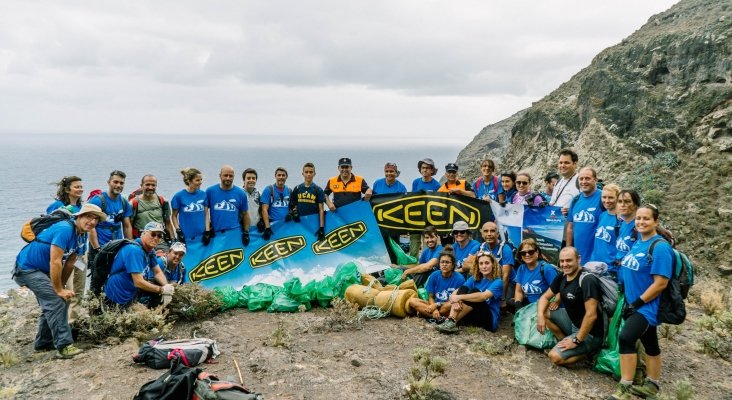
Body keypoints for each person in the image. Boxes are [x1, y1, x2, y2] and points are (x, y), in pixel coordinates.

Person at [12, 203, 105, 359]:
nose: (92, 221)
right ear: (79, 216)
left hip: (42, 270)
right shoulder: (65, 229)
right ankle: (64, 345)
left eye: (96, 219)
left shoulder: (82, 235)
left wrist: (61, 286)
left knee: (61, 299)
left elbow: (70, 262)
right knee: (56, 300)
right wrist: (58, 290)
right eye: (89, 216)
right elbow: (55, 261)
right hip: (27, 269)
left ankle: (43, 342)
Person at [609, 204, 673, 399]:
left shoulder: (660, 247)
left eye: (646, 219)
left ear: (656, 221)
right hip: (633, 302)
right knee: (650, 342)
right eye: (638, 218)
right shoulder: (638, 241)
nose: (641, 222)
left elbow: (661, 283)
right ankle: (652, 385)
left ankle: (625, 388)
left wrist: (636, 303)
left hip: (646, 306)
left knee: (626, 338)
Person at [537, 247, 604, 366]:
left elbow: (591, 315)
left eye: (569, 260)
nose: (564, 264)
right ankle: (563, 342)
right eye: (562, 261)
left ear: (578, 259)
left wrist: (576, 340)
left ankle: (588, 353)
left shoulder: (587, 280)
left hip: (590, 333)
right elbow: (544, 297)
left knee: (554, 357)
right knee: (545, 312)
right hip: (573, 322)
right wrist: (540, 316)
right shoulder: (562, 276)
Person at [104, 222, 175, 308]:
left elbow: (157, 272)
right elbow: (138, 282)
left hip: (130, 293)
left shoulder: (150, 250)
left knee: (158, 290)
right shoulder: (134, 250)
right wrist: (161, 290)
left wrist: (167, 287)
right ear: (143, 233)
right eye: (153, 234)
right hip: (116, 297)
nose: (156, 238)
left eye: (159, 236)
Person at [437, 251, 503, 333]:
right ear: (478, 266)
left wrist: (459, 297)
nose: (484, 266)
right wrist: (455, 301)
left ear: (493, 265)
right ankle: (450, 321)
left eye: (487, 263)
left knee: (474, 292)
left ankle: (450, 321)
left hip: (488, 321)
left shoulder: (498, 282)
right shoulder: (474, 278)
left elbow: (483, 296)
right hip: (472, 317)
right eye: (481, 264)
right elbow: (456, 293)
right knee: (463, 289)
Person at [406, 247, 465, 321]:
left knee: (450, 305)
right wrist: (434, 310)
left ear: (453, 265)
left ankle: (428, 314)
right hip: (433, 305)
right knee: (412, 301)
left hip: (447, 306)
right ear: (439, 264)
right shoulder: (434, 275)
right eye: (442, 262)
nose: (444, 264)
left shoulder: (459, 279)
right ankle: (438, 317)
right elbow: (430, 297)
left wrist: (436, 305)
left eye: (447, 262)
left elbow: (458, 301)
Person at [88, 170, 133, 263]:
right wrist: (97, 249)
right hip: (100, 246)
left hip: (117, 246)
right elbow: (90, 227)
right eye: (115, 182)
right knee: (98, 275)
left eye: (121, 183)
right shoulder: (98, 201)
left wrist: (129, 245)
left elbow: (127, 226)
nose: (118, 185)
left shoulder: (124, 202)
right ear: (108, 182)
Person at [470, 222, 515, 312]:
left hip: (506, 282)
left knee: (505, 303)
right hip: (487, 279)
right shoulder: (479, 247)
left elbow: (505, 277)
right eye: (486, 231)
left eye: (492, 231)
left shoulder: (505, 249)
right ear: (482, 234)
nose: (489, 234)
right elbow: (465, 265)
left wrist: (502, 299)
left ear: (498, 234)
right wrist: (478, 265)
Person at [565, 167, 603, 264]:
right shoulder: (576, 200)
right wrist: (568, 250)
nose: (584, 182)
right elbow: (570, 227)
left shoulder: (603, 198)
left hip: (597, 258)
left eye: (587, 178)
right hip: (579, 257)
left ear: (595, 180)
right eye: (581, 179)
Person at [206, 165, 250, 246]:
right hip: (216, 234)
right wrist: (207, 229)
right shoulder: (210, 191)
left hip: (234, 233)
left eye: (231, 176)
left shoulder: (241, 193)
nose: (228, 178)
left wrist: (246, 232)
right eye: (225, 175)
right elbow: (204, 212)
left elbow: (245, 214)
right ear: (220, 176)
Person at [513, 238, 560, 308]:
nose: (527, 255)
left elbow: (559, 290)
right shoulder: (521, 269)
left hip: (546, 306)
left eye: (530, 252)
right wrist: (517, 303)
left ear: (537, 252)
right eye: (523, 253)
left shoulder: (546, 268)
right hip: (530, 306)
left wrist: (554, 304)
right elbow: (518, 291)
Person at [409, 158, 441, 258]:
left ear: (432, 170)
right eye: (423, 168)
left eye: (427, 168)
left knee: (428, 242)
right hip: (417, 218)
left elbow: (438, 202)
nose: (425, 170)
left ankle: (427, 263)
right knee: (414, 242)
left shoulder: (436, 185)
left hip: (429, 219)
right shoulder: (416, 182)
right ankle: (412, 263)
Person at [129, 175, 175, 243]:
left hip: (159, 241)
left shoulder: (162, 201)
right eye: (147, 185)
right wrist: (130, 242)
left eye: (153, 185)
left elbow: (168, 223)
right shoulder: (133, 203)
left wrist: (173, 240)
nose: (150, 187)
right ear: (141, 185)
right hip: (142, 241)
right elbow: (128, 225)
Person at [587, 183, 621, 273]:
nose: (606, 200)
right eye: (604, 197)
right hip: (594, 265)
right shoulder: (602, 215)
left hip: (610, 269)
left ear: (618, 198)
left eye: (611, 197)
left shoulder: (621, 220)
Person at [289, 163, 326, 241]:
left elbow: (321, 210)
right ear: (303, 174)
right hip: (300, 224)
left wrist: (321, 228)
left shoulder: (318, 189)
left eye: (311, 172)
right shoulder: (297, 188)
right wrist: (294, 212)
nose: (308, 174)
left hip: (313, 223)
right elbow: (293, 204)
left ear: (314, 174)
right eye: (306, 172)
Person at [260, 167, 292, 241]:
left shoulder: (289, 190)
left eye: (283, 175)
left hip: (286, 226)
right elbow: (264, 209)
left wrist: (291, 213)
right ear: (275, 176)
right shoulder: (269, 190)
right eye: (279, 175)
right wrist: (267, 228)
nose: (281, 177)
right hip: (273, 226)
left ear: (286, 177)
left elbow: (292, 207)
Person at [614, 189, 641, 269]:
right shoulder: (621, 224)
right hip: (620, 275)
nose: (622, 205)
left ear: (636, 204)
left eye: (627, 201)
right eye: (619, 201)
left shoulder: (640, 227)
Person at [549, 149, 580, 215]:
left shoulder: (580, 181)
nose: (562, 165)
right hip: (556, 223)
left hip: (572, 223)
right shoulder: (558, 182)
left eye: (566, 163)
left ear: (574, 164)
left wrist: (572, 211)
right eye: (560, 162)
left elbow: (587, 204)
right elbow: (552, 203)